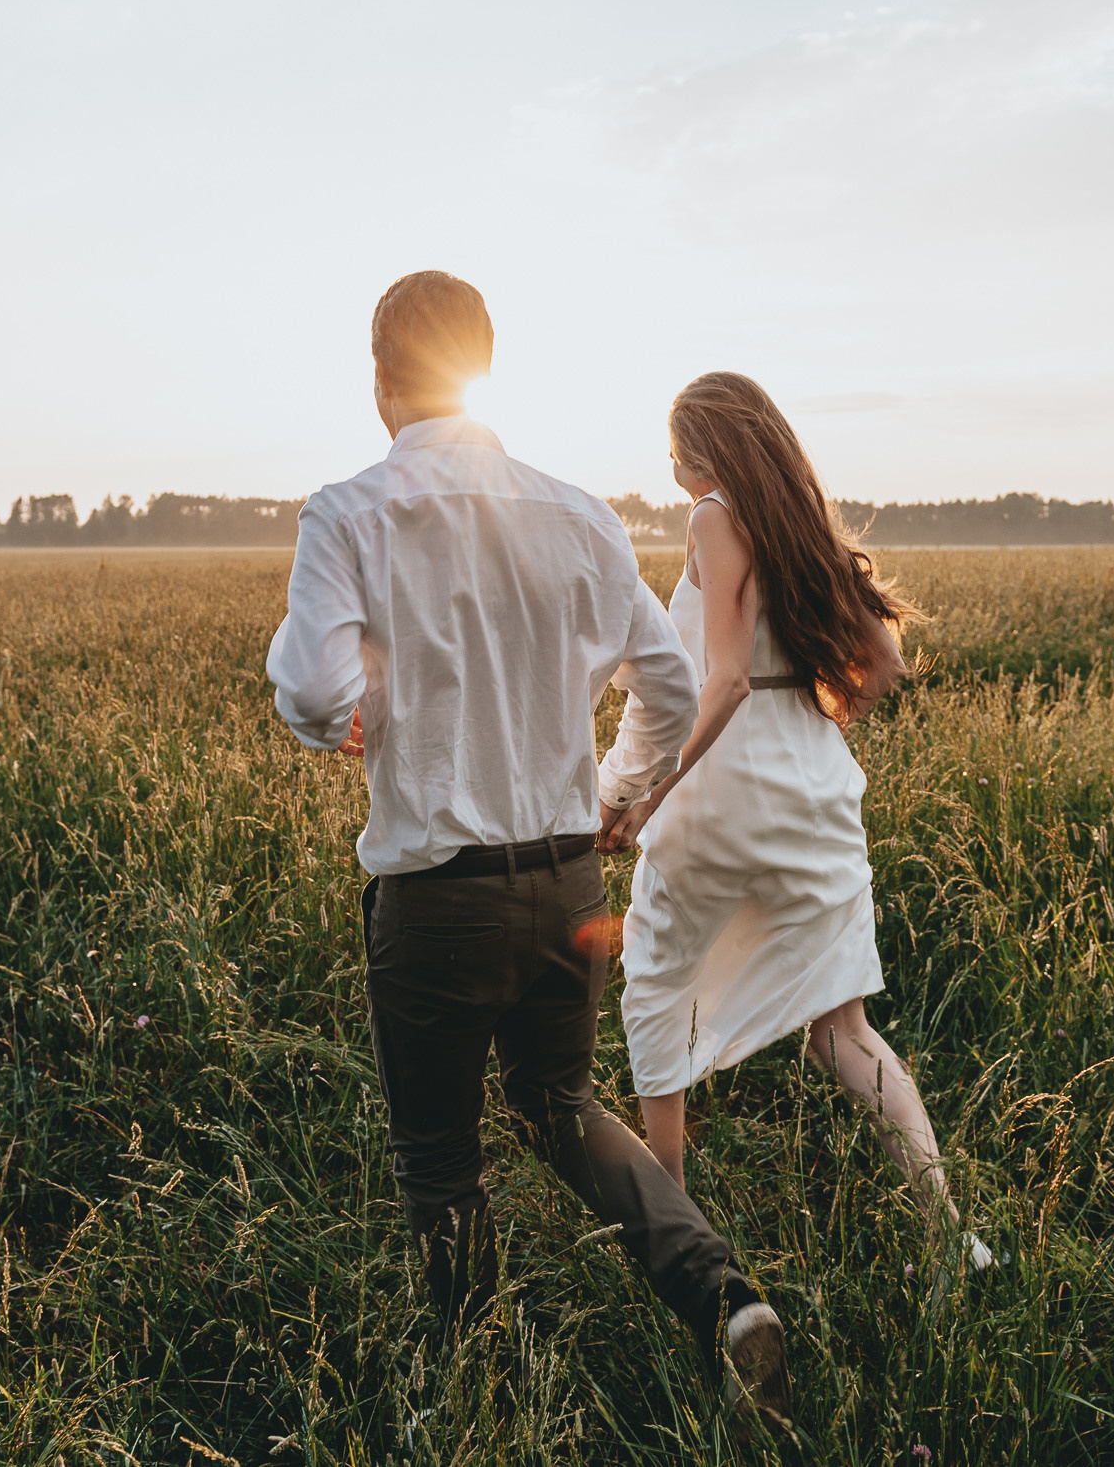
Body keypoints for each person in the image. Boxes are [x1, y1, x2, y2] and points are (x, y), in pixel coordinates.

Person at [265, 274, 792, 1416]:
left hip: (438, 899)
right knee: (559, 1104)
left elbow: (308, 691)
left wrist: (349, 704)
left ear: (380, 375)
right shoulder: (578, 512)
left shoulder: (349, 512)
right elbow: (667, 678)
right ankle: (722, 1295)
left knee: (442, 1158)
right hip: (568, 877)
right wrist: (619, 793)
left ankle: (488, 1394)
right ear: (485, 362)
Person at [598, 371, 992, 1272]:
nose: (669, 468)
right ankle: (947, 1236)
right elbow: (884, 659)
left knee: (657, 988)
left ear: (705, 445)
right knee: (843, 1031)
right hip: (811, 784)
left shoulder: (713, 515)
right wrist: (813, 710)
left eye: (674, 448)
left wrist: (654, 787)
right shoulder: (798, 524)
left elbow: (726, 679)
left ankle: (674, 1243)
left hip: (724, 789)